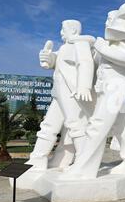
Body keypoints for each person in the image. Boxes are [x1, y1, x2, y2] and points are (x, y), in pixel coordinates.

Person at [60, 0, 125, 179]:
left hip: (117, 85)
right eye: (106, 19)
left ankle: (84, 168)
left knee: (98, 124)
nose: (107, 22)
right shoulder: (109, 43)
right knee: (121, 127)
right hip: (105, 85)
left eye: (110, 19)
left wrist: (99, 46)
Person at [26, 20, 95, 171]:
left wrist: (84, 86)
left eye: (63, 29)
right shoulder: (64, 48)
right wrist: (47, 57)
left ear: (74, 31)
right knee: (49, 126)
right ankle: (38, 159)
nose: (61, 33)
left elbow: (86, 63)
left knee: (76, 126)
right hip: (59, 94)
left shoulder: (80, 44)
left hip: (72, 93)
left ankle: (85, 162)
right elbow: (54, 61)